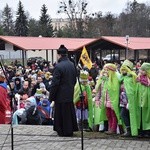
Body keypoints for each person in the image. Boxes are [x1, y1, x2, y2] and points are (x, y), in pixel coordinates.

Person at [49, 44, 78, 137]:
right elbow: (74, 80)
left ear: (59, 55)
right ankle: (69, 130)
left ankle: (62, 130)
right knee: (69, 113)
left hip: (60, 95)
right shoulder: (72, 64)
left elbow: (55, 84)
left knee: (61, 113)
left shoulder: (58, 66)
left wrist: (51, 96)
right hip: (70, 92)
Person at [119, 59, 138, 137]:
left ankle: (131, 131)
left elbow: (133, 88)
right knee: (124, 114)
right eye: (122, 69)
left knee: (126, 114)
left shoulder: (132, 76)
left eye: (124, 69)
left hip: (130, 99)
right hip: (124, 100)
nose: (123, 71)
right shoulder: (122, 78)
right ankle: (129, 130)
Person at [136, 62, 150, 137]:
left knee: (147, 116)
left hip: (147, 101)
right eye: (141, 70)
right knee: (140, 116)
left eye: (143, 70)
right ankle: (141, 131)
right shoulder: (138, 79)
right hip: (140, 101)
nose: (141, 71)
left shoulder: (148, 80)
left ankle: (147, 131)